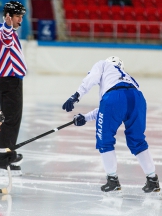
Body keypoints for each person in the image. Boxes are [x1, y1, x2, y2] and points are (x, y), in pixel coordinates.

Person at [63, 56, 160, 193]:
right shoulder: (128, 77)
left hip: (114, 98)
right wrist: (86, 117)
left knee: (105, 140)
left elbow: (109, 101)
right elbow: (113, 106)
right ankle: (152, 180)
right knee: (137, 140)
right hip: (138, 98)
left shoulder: (103, 64)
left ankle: (112, 180)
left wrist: (76, 95)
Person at [0, 1, 27, 176]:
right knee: (10, 121)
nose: (21, 19)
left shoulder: (10, 33)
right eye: (17, 16)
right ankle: (1, 162)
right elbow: (5, 37)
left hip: (12, 81)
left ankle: (7, 154)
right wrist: (7, 25)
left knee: (13, 121)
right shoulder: (3, 32)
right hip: (9, 81)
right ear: (8, 16)